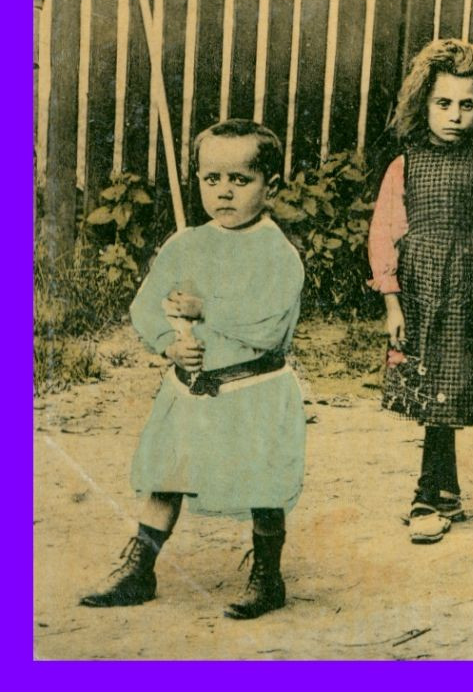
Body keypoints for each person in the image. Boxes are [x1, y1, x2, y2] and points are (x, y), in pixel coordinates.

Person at [80, 120, 306, 619]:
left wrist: (208, 310)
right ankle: (141, 566)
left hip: (254, 389)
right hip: (192, 387)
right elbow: (147, 307)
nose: (223, 191)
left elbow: (267, 325)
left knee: (263, 484)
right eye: (211, 179)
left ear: (270, 187)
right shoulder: (186, 244)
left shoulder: (277, 253)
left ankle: (268, 575)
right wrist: (169, 345)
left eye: (240, 180)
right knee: (167, 473)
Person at [368, 39, 473, 544]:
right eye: (443, 104)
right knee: (428, 386)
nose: (455, 116)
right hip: (417, 290)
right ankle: (442, 488)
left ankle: (429, 493)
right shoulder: (403, 166)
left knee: (450, 390)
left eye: (467, 105)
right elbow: (385, 232)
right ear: (424, 104)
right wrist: (391, 300)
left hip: (466, 291)